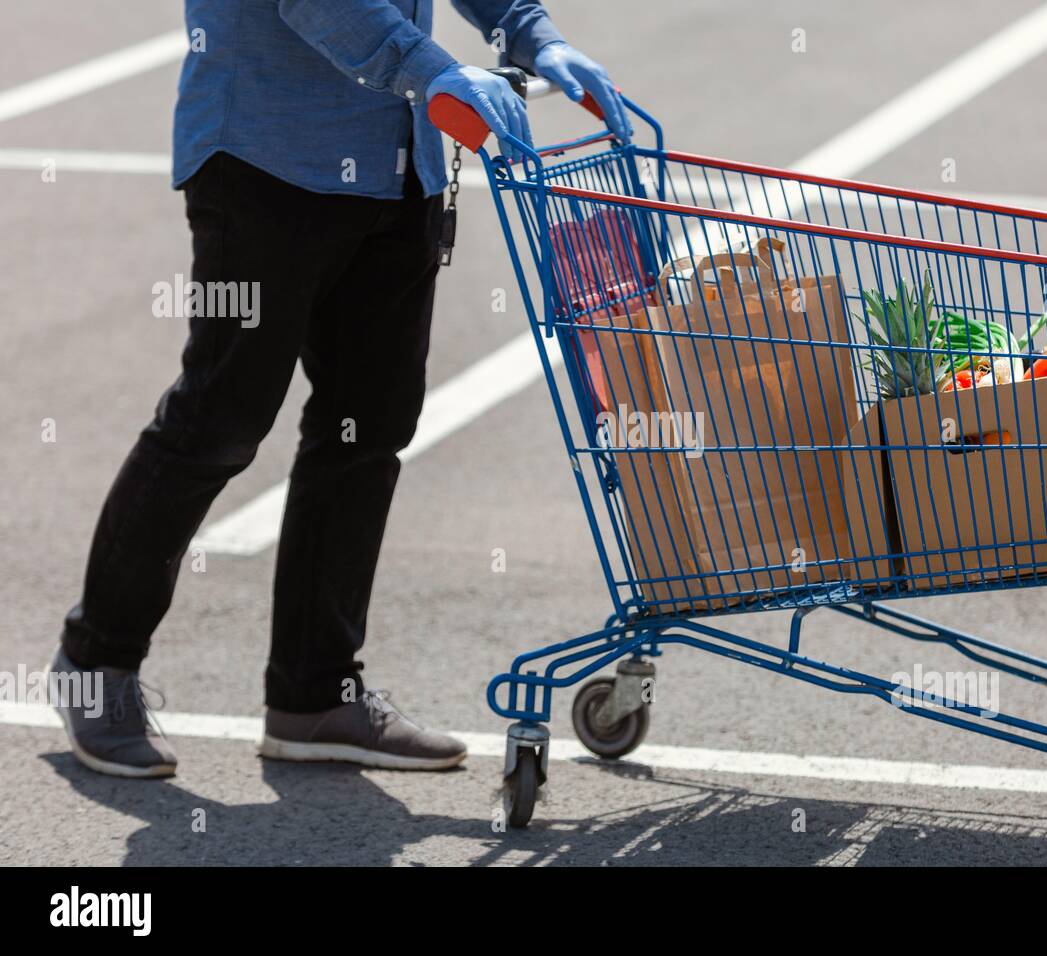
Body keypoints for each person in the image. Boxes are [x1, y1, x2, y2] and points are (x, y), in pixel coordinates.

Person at [48, 0, 632, 778]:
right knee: (220, 418)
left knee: (369, 428)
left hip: (399, 165)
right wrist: (434, 70)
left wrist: (533, 32)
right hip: (264, 158)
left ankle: (314, 695)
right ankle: (97, 665)